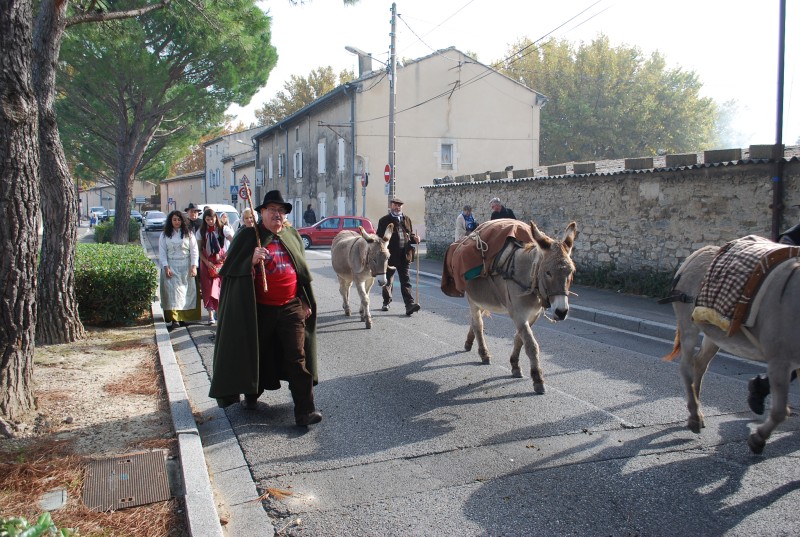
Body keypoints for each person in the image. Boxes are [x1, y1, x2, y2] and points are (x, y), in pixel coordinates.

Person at [208, 190, 321, 426]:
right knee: (256, 354)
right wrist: (250, 260)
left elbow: (300, 273)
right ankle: (251, 394)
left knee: (297, 357)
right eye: (272, 210)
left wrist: (304, 300)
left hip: (290, 307)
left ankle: (305, 411)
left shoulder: (292, 235)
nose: (277, 215)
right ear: (261, 213)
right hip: (259, 309)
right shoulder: (249, 237)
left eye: (281, 211)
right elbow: (229, 270)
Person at [747, 223, 800, 414]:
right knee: (792, 356)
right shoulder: (796, 232)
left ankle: (762, 387)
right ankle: (762, 387)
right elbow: (784, 245)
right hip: (790, 301)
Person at [377, 197, 421, 316]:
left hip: (404, 255)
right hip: (390, 256)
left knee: (406, 281)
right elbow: (379, 238)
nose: (397, 207)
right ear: (391, 206)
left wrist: (415, 239)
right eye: (395, 205)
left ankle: (409, 305)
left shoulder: (407, 219)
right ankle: (386, 301)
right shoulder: (384, 220)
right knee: (387, 281)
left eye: (399, 205)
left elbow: (410, 235)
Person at [159, 210, 200, 329]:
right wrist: (165, 267)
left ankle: (184, 318)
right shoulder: (165, 235)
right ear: (170, 221)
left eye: (178, 219)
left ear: (182, 221)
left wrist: (193, 266)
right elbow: (162, 253)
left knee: (186, 293)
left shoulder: (189, 234)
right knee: (173, 294)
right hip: (171, 265)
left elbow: (194, 251)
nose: (177, 222)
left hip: (185, 265)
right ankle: (174, 319)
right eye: (174, 220)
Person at [198, 208, 226, 325]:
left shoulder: (222, 229)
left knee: (219, 287)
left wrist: (225, 255)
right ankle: (210, 314)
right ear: (205, 220)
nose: (211, 221)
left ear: (216, 218)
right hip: (207, 261)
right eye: (208, 219)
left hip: (220, 261)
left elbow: (233, 240)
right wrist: (206, 262)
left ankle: (219, 312)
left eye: (212, 218)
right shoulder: (201, 232)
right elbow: (199, 250)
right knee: (208, 288)